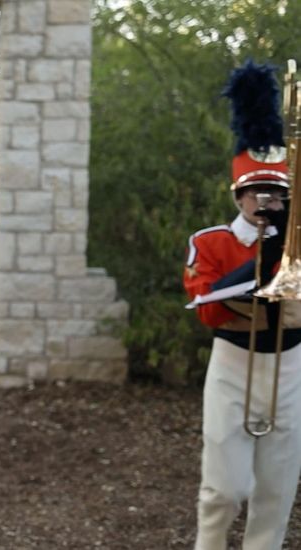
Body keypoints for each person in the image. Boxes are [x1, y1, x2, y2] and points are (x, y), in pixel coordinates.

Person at [184, 60, 301, 550]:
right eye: (256, 191)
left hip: (292, 363)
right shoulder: (211, 242)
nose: (264, 201)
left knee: (277, 493)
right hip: (233, 362)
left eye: (275, 192)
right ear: (239, 193)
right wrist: (260, 271)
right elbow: (206, 308)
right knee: (225, 491)